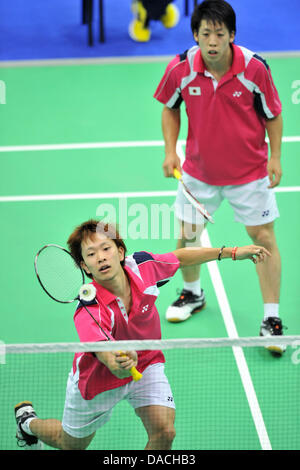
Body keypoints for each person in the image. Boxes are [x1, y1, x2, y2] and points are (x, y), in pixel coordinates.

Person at [15, 219, 269, 450]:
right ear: (85, 266)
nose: (101, 258)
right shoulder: (88, 308)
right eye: (91, 254)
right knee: (69, 444)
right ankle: (28, 422)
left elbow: (179, 257)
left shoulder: (143, 267)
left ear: (121, 252)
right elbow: (105, 353)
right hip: (98, 381)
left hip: (146, 364)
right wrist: (119, 361)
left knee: (165, 432)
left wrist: (231, 253)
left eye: (106, 248)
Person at [153, 0, 286, 355]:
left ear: (232, 36)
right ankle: (193, 293)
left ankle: (271, 319)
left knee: (263, 238)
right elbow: (169, 108)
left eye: (220, 34)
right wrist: (170, 151)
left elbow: (273, 114)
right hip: (199, 172)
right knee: (186, 234)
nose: (213, 41)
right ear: (195, 35)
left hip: (249, 172)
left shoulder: (254, 69)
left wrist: (275, 157)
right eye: (206, 34)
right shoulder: (181, 68)